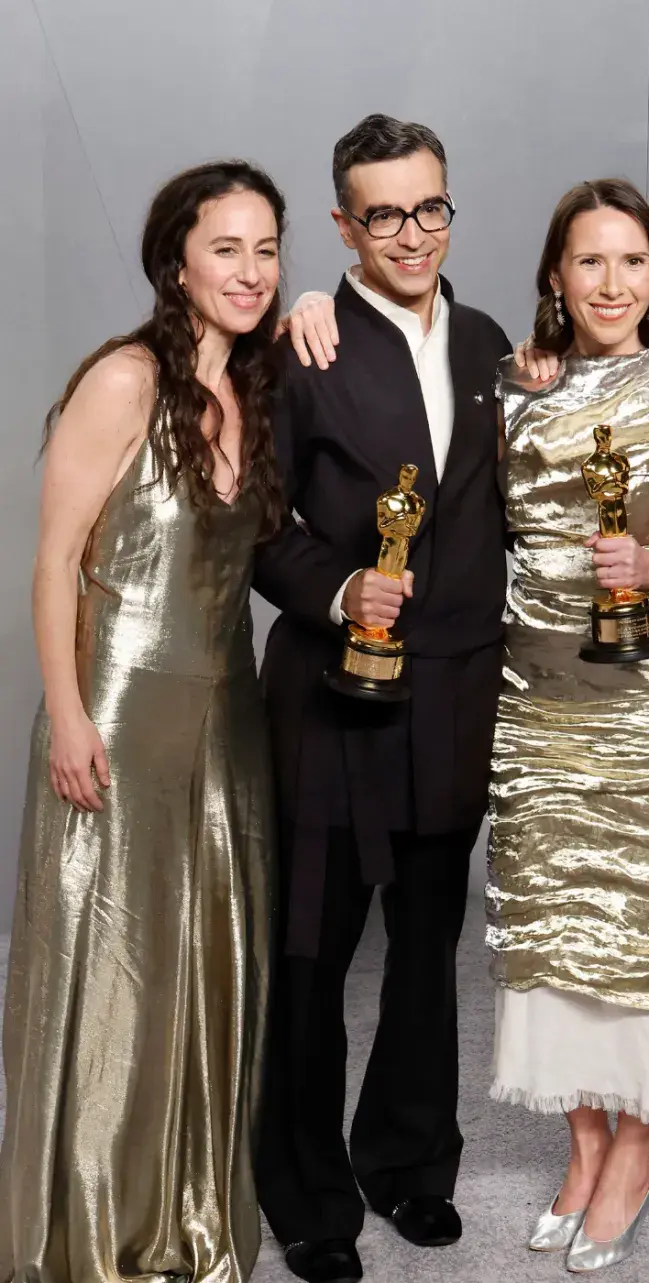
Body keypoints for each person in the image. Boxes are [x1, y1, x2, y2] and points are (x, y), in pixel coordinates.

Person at [0, 161, 284, 1283]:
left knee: (202, 969)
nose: (251, 272)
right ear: (177, 260)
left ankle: (182, 1214)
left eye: (268, 250)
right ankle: (88, 1231)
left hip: (229, 724)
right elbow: (55, 560)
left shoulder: (256, 391)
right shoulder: (122, 379)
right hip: (115, 714)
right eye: (227, 249)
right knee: (112, 971)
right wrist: (67, 714)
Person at [250, 114, 510, 1283]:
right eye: (387, 214)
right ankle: (305, 1190)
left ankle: (408, 1162)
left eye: (432, 207)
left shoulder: (495, 345)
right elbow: (256, 525)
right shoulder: (298, 345)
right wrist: (343, 581)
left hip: (454, 697)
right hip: (329, 699)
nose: (415, 233)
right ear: (348, 224)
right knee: (310, 955)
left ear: (451, 206)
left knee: (426, 948)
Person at [487, 178, 649, 1274]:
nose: (612, 283)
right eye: (590, 261)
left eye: (633, 261)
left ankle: (634, 1152)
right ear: (554, 275)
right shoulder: (514, 392)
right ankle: (581, 1145)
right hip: (537, 698)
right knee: (551, 925)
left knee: (639, 929)